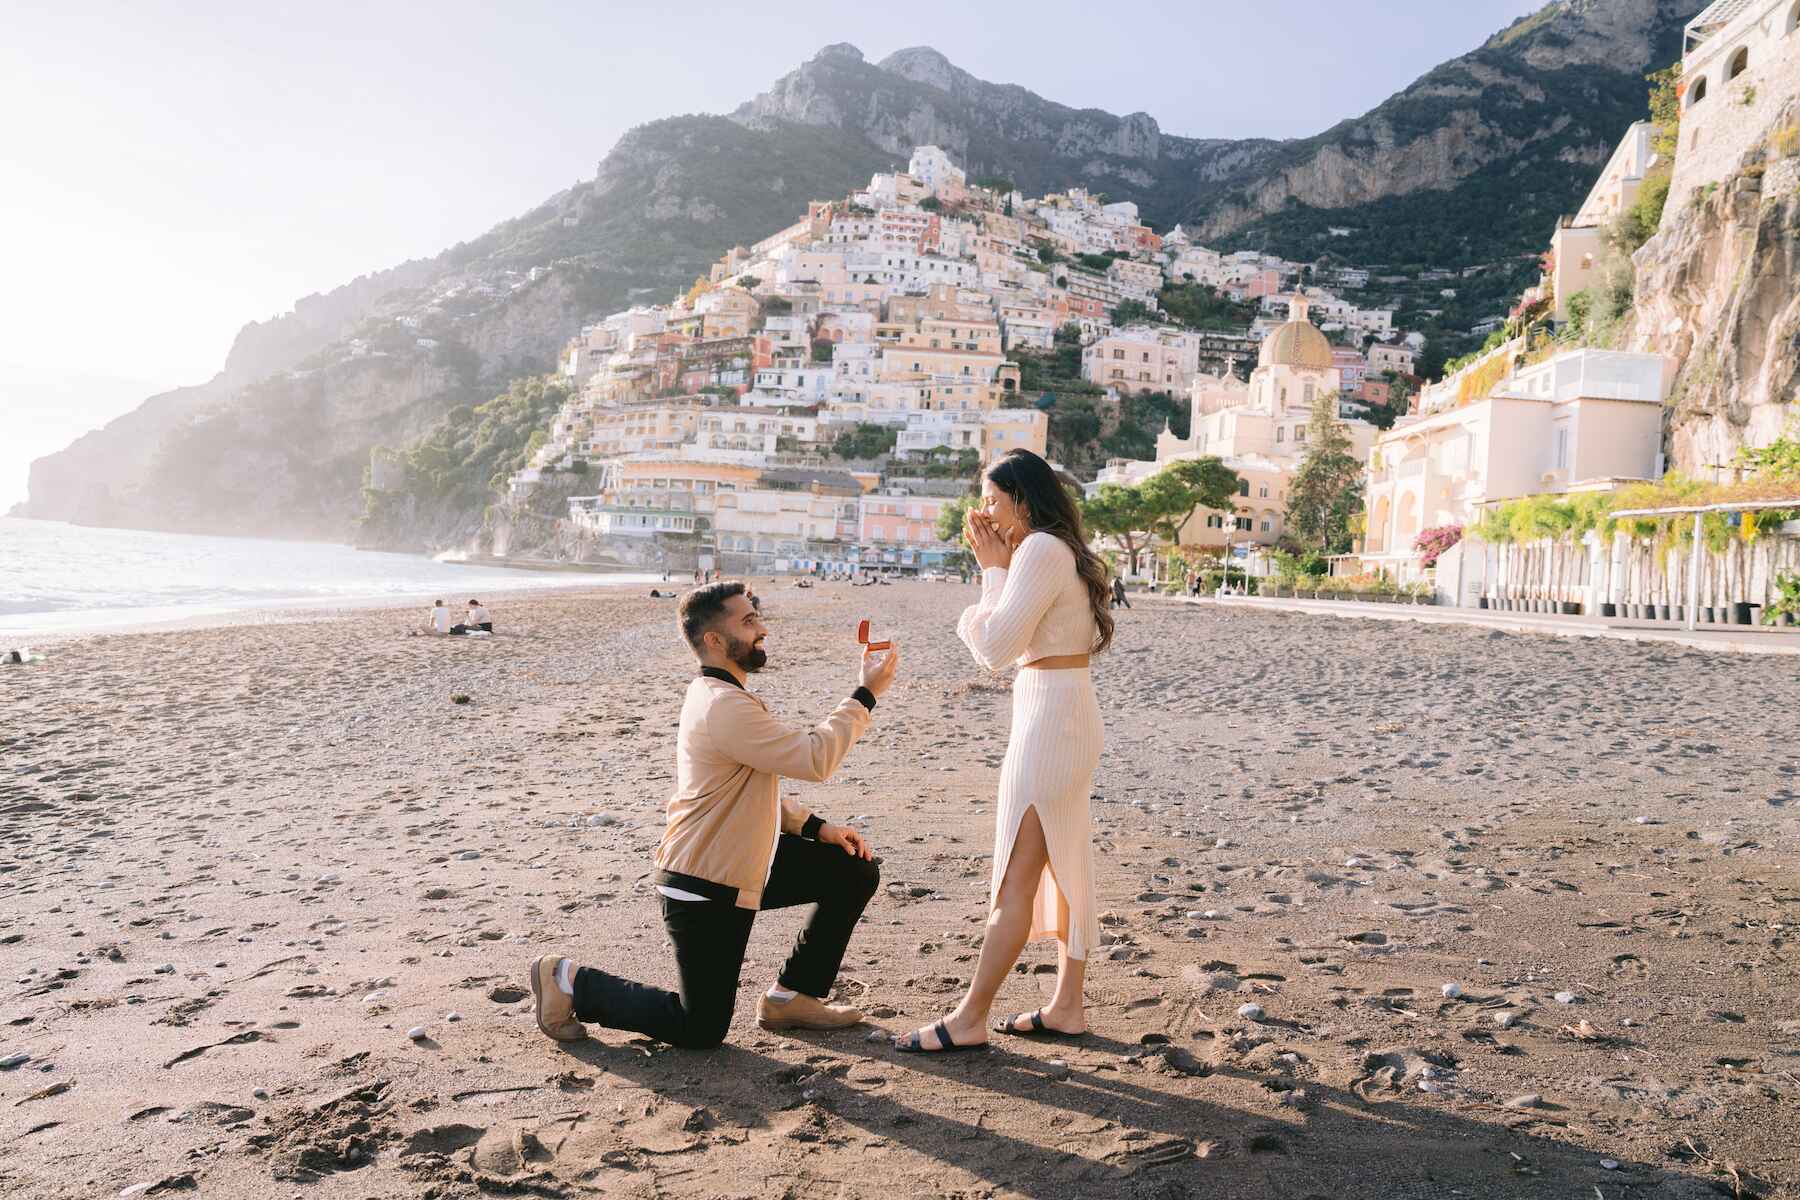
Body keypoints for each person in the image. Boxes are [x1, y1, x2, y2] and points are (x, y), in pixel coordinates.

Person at [528, 581, 900, 1049]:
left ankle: (792, 997)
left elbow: (748, 786)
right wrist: (865, 694)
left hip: (746, 860)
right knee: (700, 1027)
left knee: (852, 870)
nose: (762, 628)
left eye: (757, 616)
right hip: (703, 882)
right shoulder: (723, 704)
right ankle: (567, 981)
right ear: (715, 641)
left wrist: (815, 828)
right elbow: (814, 759)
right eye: (748, 622)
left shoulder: (720, 695)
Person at [897, 448, 1112, 1054]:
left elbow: (992, 648)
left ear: (1023, 499)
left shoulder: (1040, 550)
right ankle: (1067, 1004)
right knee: (1068, 859)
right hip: (1062, 709)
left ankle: (970, 1018)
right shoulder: (1049, 551)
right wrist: (1000, 564)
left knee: (1016, 875)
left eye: (992, 500)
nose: (984, 513)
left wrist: (990, 571)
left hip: (1051, 719)